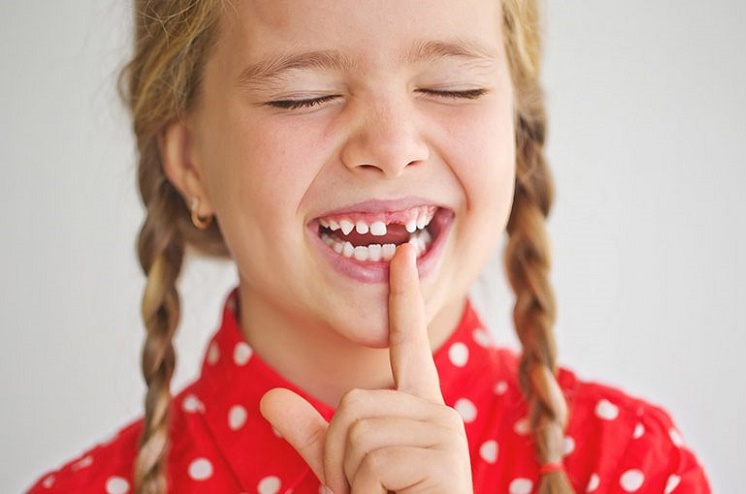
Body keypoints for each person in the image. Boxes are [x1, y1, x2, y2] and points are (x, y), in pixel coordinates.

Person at [28, 0, 711, 493]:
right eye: (304, 96)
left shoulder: (628, 467)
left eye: (453, 87)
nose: (390, 150)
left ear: (517, 132)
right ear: (191, 163)